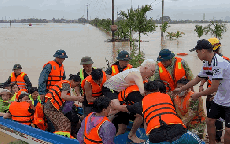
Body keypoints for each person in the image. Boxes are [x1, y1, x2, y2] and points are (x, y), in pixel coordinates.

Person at [173, 39, 230, 144]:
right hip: (220, 97)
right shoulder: (207, 62)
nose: (197, 55)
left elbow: (214, 88)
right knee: (210, 121)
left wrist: (197, 94)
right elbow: (196, 79)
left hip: (229, 99)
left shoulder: (219, 63)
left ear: (203, 51)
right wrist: (181, 89)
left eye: (197, 52)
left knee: (228, 130)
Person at [113, 81, 205, 143]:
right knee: (200, 142)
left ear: (145, 93)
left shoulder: (143, 103)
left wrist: (114, 106)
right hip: (179, 131)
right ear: (158, 90)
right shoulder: (167, 97)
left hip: (157, 136)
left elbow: (125, 108)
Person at [103, 59, 155, 143]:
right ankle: (101, 118)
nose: (153, 73)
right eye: (152, 71)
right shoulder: (136, 74)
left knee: (121, 110)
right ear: (145, 68)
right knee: (116, 107)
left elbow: (145, 82)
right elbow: (142, 92)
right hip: (109, 89)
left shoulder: (141, 72)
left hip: (120, 91)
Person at [199, 37, 230, 142]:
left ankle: (218, 136)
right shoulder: (208, 61)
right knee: (211, 118)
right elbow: (204, 74)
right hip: (212, 92)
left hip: (219, 92)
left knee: (226, 125)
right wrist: (201, 85)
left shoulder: (223, 60)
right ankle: (215, 137)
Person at [43, 74, 84, 138]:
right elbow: (63, 96)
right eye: (77, 84)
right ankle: (64, 140)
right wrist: (77, 98)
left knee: (59, 126)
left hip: (50, 108)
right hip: (51, 108)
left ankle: (57, 139)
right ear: (72, 81)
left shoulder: (63, 83)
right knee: (65, 123)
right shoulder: (66, 84)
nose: (76, 86)